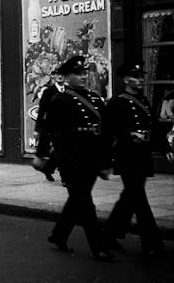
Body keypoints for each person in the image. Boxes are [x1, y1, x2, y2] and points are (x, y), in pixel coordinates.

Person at [44, 56, 114, 261]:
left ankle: (58, 235)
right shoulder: (61, 100)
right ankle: (98, 247)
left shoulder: (94, 99)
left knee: (77, 201)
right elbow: (52, 133)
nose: (83, 77)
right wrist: (49, 161)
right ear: (66, 77)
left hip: (92, 158)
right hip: (73, 161)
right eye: (78, 74)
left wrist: (106, 162)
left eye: (85, 73)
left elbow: (105, 132)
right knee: (85, 203)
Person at [103, 63, 172, 258]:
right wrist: (128, 134)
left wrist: (165, 147)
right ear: (126, 80)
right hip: (127, 156)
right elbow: (109, 130)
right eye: (136, 76)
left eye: (141, 76)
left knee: (129, 198)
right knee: (140, 201)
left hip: (142, 156)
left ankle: (108, 235)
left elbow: (155, 126)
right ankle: (152, 243)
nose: (141, 79)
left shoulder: (143, 100)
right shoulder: (118, 102)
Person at [33, 69, 64, 181]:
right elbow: (41, 112)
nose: (60, 76)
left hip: (66, 128)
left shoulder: (70, 91)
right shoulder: (48, 92)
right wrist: (37, 129)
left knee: (60, 151)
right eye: (57, 74)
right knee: (60, 151)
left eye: (62, 74)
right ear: (53, 76)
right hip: (52, 128)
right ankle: (65, 178)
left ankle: (48, 168)